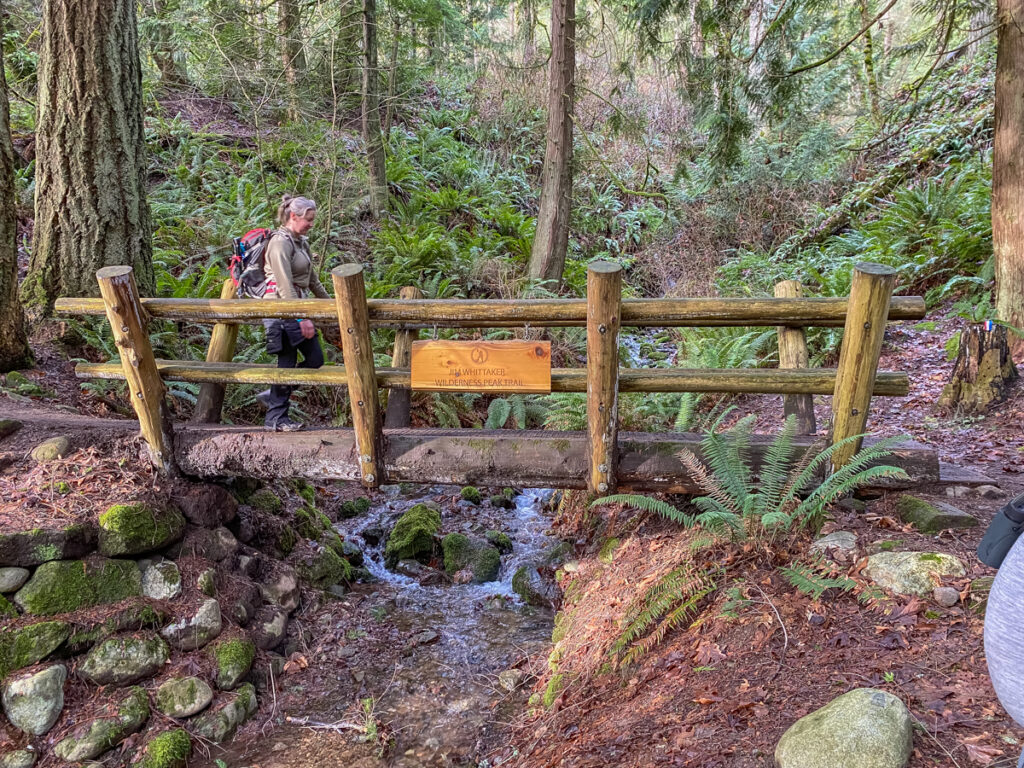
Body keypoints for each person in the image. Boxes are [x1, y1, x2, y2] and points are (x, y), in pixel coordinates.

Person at [260, 194, 330, 431]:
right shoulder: (279, 243)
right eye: (308, 219)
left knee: (315, 359)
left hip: (297, 305)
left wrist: (334, 307)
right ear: (293, 216)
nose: (312, 223)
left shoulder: (302, 243)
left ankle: (273, 396)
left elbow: (313, 281)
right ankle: (276, 419)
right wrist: (300, 316)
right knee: (287, 362)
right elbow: (284, 285)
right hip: (281, 309)